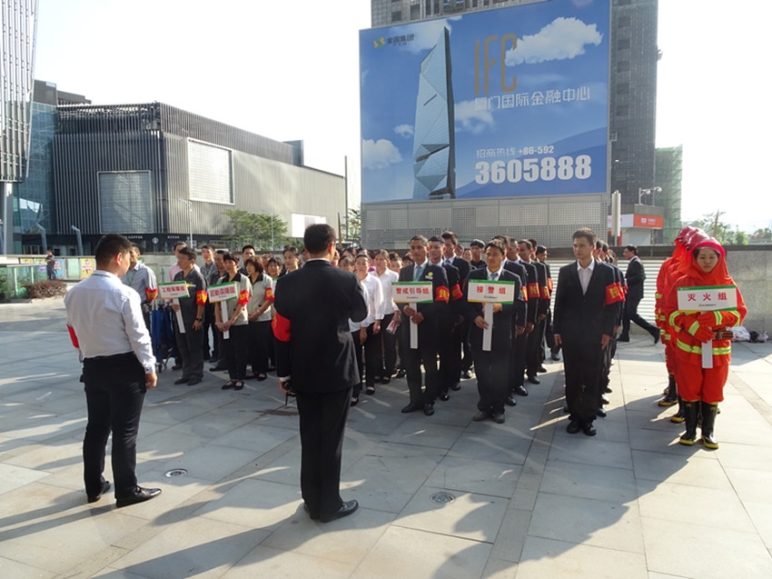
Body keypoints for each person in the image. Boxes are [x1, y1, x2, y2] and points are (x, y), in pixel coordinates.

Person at [272, 223, 367, 522]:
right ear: (332, 247)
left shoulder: (286, 283)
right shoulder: (347, 278)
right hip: (338, 369)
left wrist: (283, 374)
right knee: (332, 439)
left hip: (303, 370)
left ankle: (312, 500)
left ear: (304, 249)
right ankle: (329, 504)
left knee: (310, 435)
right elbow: (360, 314)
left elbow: (280, 333)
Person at [64, 233, 161, 507]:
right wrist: (149, 367)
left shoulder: (74, 293)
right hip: (123, 368)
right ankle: (127, 490)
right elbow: (138, 336)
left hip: (92, 367)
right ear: (118, 257)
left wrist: (84, 357)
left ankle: (93, 486)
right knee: (125, 431)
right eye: (128, 258)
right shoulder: (124, 293)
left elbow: (74, 333)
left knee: (96, 428)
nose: (130, 263)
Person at [664, 238, 746, 449]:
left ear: (720, 259)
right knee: (689, 387)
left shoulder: (727, 284)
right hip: (689, 348)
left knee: (713, 388)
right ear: (695, 259)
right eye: (702, 257)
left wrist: (718, 318)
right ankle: (690, 431)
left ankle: (708, 432)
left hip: (718, 348)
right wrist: (692, 326)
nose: (707, 261)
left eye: (712, 257)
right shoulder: (683, 283)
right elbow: (670, 312)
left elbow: (739, 313)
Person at [553, 228, 624, 437]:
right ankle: (575, 417)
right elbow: (559, 302)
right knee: (573, 375)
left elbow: (613, 305)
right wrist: (556, 330)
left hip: (596, 333)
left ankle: (588, 418)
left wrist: (608, 331)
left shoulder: (608, 272)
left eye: (582, 245)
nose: (577, 249)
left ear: (593, 247)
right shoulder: (566, 271)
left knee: (592, 376)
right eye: (575, 246)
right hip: (571, 333)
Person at [466, 239, 521, 424]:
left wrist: (501, 307)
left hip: (501, 335)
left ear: (503, 256)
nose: (490, 258)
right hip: (479, 332)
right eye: (488, 254)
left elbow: (519, 304)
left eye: (495, 254)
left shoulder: (512, 278)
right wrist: (475, 317)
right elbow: (465, 303)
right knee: (482, 373)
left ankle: (498, 408)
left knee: (499, 374)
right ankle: (484, 406)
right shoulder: (475, 276)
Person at [397, 235, 449, 416]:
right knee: (411, 365)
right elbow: (398, 297)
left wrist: (424, 314)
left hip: (428, 326)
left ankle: (429, 400)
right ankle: (415, 399)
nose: (416, 251)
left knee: (430, 366)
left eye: (419, 247)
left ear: (427, 249)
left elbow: (443, 299)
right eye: (413, 248)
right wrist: (403, 308)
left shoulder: (437, 271)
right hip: (408, 326)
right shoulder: (405, 271)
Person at [350, 252, 383, 404]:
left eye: (364, 263)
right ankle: (356, 387)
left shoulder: (374, 281)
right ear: (354, 265)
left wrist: (378, 321)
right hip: (355, 326)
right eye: (358, 263)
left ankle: (370, 382)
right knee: (356, 357)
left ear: (369, 265)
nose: (361, 266)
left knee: (371, 355)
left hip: (371, 323)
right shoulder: (352, 281)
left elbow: (379, 303)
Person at [172, 247, 208, 386]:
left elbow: (201, 300)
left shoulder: (198, 278)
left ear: (192, 261)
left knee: (194, 347)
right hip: (179, 318)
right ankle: (186, 373)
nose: (179, 261)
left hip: (193, 317)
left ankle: (196, 374)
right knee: (183, 346)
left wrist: (198, 318)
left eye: (183, 259)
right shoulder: (178, 276)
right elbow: (173, 295)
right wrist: (173, 304)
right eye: (179, 258)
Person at [215, 253, 251, 390]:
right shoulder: (221, 281)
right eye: (226, 262)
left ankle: (240, 377)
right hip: (224, 321)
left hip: (239, 321)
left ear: (237, 263)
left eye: (231, 262)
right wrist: (218, 320)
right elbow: (216, 302)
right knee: (228, 350)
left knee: (240, 350)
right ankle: (232, 377)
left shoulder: (243, 280)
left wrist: (232, 320)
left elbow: (243, 301)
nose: (228, 265)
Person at [619, 245, 660, 343]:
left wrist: (626, 281)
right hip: (630, 293)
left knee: (631, 314)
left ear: (632, 252)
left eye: (626, 252)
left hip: (634, 294)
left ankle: (653, 330)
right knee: (625, 314)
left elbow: (640, 277)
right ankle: (625, 335)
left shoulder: (636, 262)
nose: (624, 254)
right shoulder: (634, 262)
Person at [245, 256, 274, 381]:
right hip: (248, 316)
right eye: (247, 265)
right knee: (251, 345)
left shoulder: (267, 280)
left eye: (251, 265)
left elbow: (269, 299)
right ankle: (254, 369)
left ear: (257, 266)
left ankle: (263, 370)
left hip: (262, 318)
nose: (248, 268)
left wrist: (258, 312)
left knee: (262, 345)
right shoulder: (245, 280)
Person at [374, 250, 399, 384]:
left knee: (389, 344)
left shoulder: (393, 276)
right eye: (376, 259)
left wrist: (397, 313)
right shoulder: (371, 276)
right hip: (374, 314)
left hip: (389, 312)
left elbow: (397, 296)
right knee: (376, 344)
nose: (378, 262)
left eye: (381, 259)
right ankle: (378, 370)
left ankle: (389, 370)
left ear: (387, 261)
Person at [120, 243, 158, 330]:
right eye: (126, 253)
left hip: (140, 306)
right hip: (123, 307)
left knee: (142, 331)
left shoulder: (145, 271)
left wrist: (146, 303)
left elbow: (152, 292)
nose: (129, 256)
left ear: (138, 255)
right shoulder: (121, 270)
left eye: (131, 252)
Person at [199, 245, 217, 361]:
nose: (206, 254)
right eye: (203, 252)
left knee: (215, 328)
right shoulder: (201, 269)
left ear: (213, 253)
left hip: (214, 300)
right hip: (204, 300)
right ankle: (205, 352)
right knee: (203, 328)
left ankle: (216, 353)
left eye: (208, 252)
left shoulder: (217, 267)